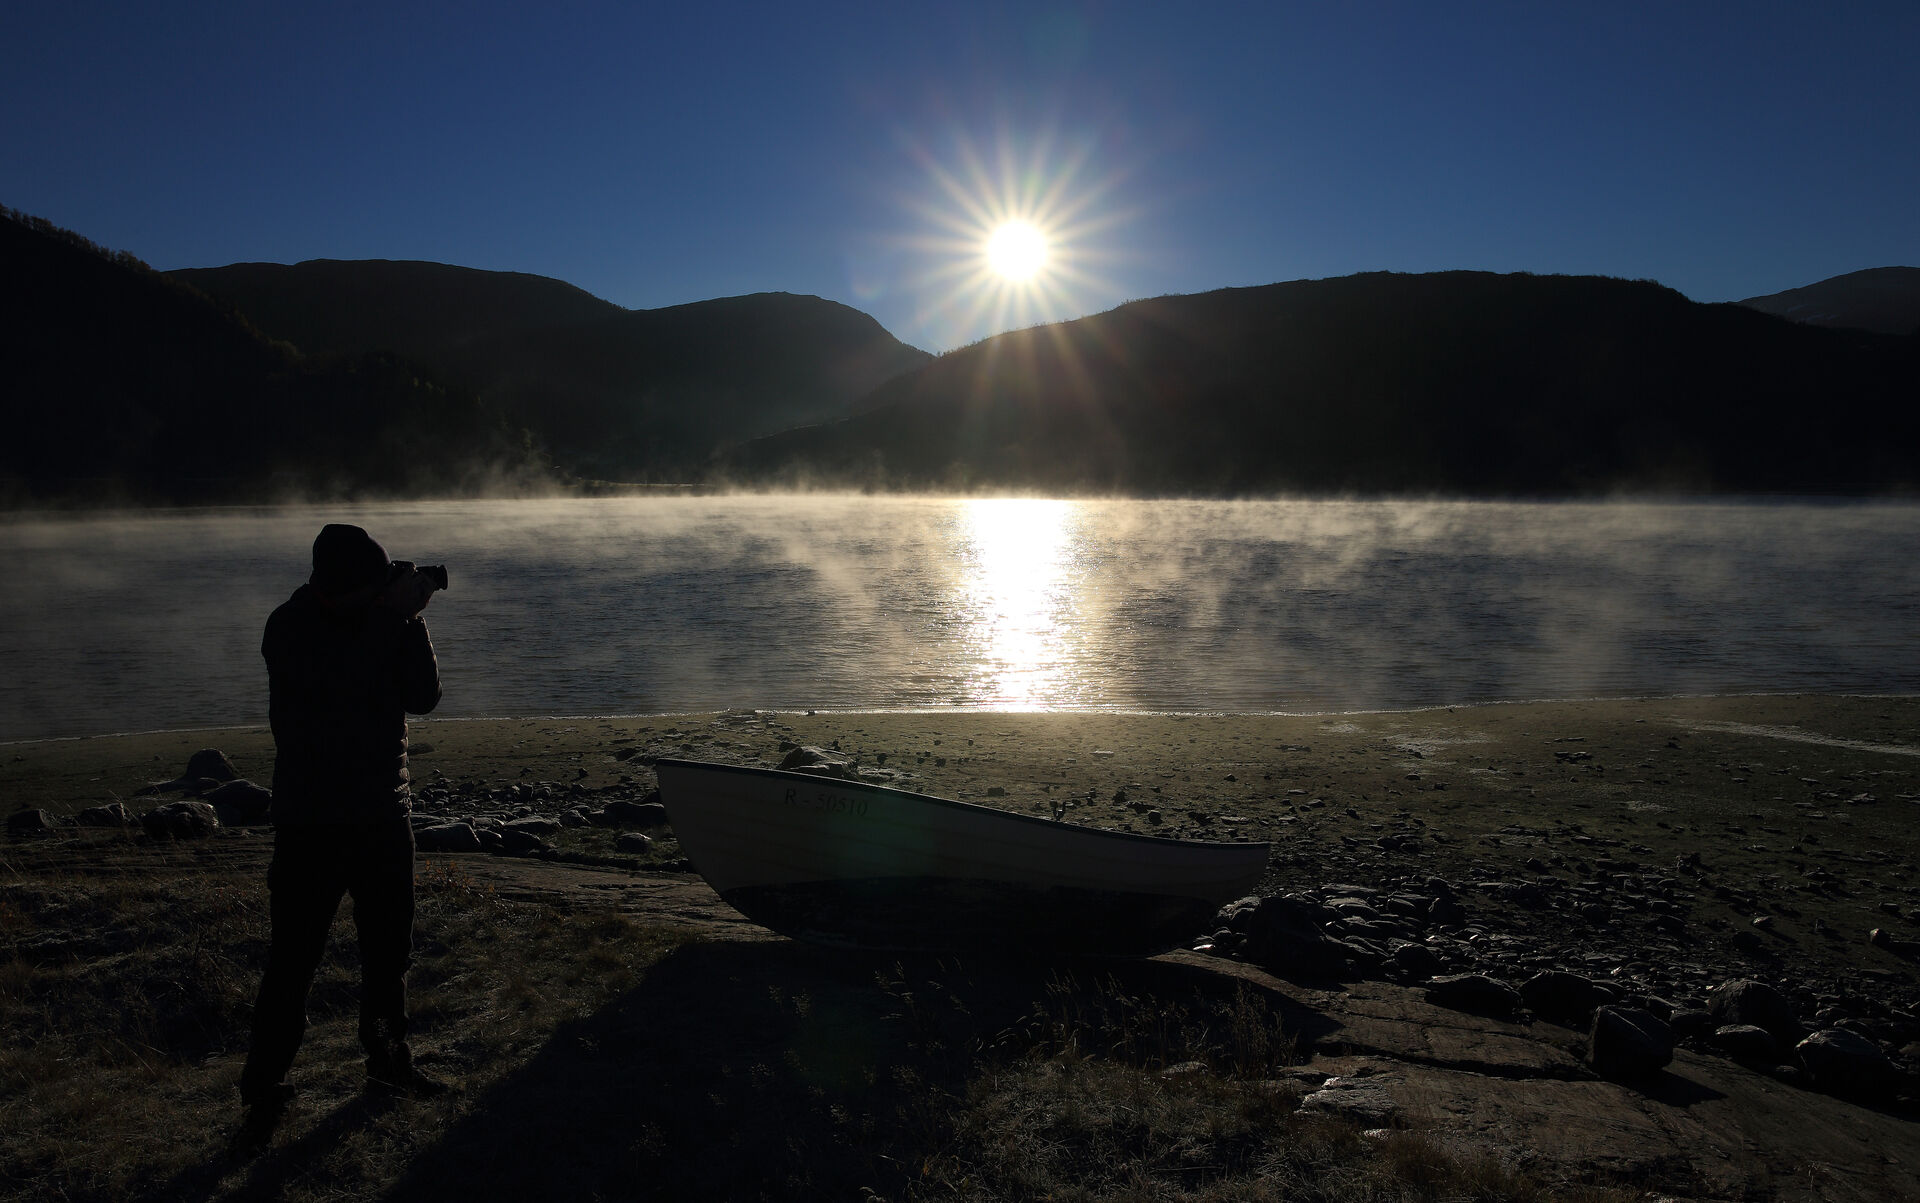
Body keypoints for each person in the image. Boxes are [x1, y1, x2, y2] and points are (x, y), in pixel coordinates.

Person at [238, 523, 447, 1134]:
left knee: (388, 954)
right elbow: (338, 686)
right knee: (293, 959)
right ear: (341, 586)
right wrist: (390, 618)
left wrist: (412, 622)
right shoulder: (290, 627)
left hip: (383, 813)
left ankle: (388, 1063)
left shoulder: (385, 621)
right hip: (313, 821)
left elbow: (423, 696)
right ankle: (264, 1089)